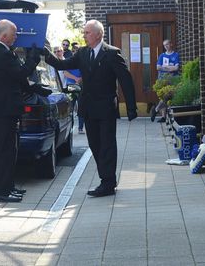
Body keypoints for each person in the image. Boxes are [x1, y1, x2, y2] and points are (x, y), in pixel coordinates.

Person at [44, 20, 137, 197]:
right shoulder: (83, 53)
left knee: (107, 145)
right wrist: (46, 54)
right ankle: (106, 179)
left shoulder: (111, 53)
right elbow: (63, 65)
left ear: (98, 34)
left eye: (87, 32)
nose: (84, 35)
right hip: (88, 108)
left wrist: (131, 108)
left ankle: (108, 183)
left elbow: (125, 80)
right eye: (84, 32)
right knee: (95, 144)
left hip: (106, 108)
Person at [0, 20, 40, 203]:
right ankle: (2, 191)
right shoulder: (2, 53)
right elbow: (20, 74)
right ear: (4, 35)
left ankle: (2, 187)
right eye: (14, 34)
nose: (17, 37)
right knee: (4, 150)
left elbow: (12, 78)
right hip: (3, 109)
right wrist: (33, 59)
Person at [151, 39, 181, 123]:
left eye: (167, 44)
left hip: (173, 79)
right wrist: (170, 68)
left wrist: (165, 67)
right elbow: (158, 67)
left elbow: (176, 68)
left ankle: (156, 109)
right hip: (162, 79)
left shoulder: (176, 55)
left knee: (167, 96)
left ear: (171, 44)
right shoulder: (162, 56)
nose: (166, 46)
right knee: (163, 96)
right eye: (164, 45)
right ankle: (163, 117)